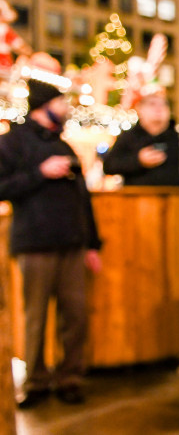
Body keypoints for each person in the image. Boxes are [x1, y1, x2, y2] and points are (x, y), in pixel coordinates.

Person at [0, 80, 102, 407]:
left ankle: (69, 378)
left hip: (72, 243)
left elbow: (83, 197)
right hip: (34, 242)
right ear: (44, 106)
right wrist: (40, 172)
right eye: (61, 102)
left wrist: (92, 243)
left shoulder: (64, 144)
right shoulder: (12, 142)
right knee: (35, 317)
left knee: (75, 315)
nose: (66, 108)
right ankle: (35, 382)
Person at [102, 90, 179, 186]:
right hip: (137, 193)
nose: (159, 109)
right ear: (140, 109)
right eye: (152, 104)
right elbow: (109, 166)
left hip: (175, 193)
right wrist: (138, 160)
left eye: (164, 105)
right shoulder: (129, 137)